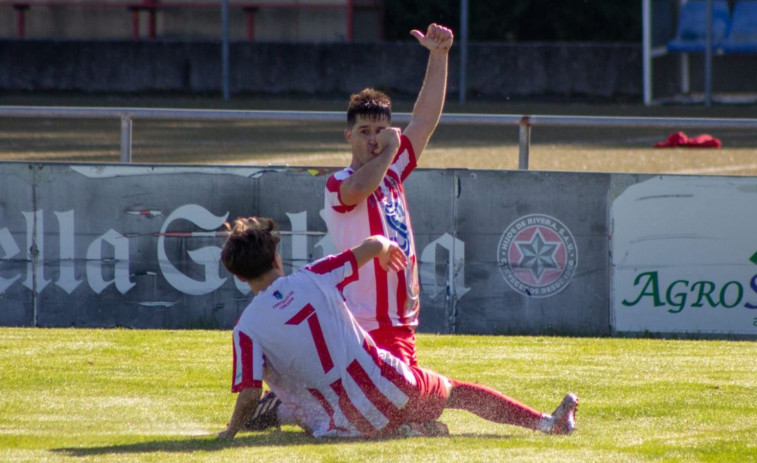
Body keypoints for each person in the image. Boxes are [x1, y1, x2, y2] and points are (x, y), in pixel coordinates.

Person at [217, 216, 578, 440]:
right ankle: (547, 424)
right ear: (277, 257)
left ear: (237, 275)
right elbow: (373, 243)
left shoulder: (246, 328)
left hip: (344, 426)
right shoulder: (314, 276)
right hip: (393, 387)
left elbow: (249, 393)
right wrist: (386, 249)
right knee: (456, 393)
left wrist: (230, 432)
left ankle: (408, 430)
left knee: (292, 405)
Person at [323, 22, 453, 368]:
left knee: (405, 411)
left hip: (401, 318)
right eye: (364, 131)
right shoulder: (338, 182)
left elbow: (424, 121)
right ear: (348, 136)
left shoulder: (393, 171)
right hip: (365, 322)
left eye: (380, 131)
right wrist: (389, 149)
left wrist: (439, 55)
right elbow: (357, 191)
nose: (373, 139)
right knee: (407, 408)